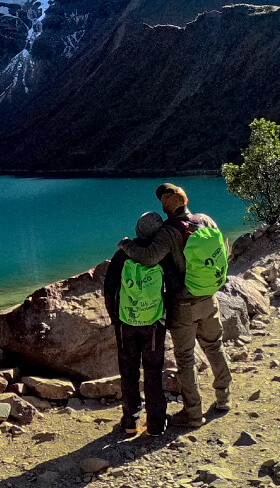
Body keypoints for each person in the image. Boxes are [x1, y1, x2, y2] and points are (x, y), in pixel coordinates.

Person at [117, 183, 231, 427]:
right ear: (186, 201)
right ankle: (223, 398)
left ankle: (193, 414)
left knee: (186, 359)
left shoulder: (169, 232)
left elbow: (148, 258)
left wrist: (127, 245)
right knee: (214, 347)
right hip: (209, 297)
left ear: (165, 208)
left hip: (184, 305)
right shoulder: (204, 220)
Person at [103, 212, 171, 436]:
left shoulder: (121, 256)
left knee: (129, 370)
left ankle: (130, 420)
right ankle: (156, 424)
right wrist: (164, 319)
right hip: (153, 326)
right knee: (153, 370)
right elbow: (171, 290)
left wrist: (116, 319)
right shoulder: (162, 255)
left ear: (138, 231)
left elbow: (109, 290)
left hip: (126, 325)